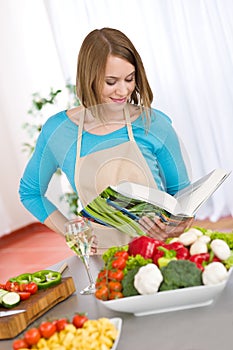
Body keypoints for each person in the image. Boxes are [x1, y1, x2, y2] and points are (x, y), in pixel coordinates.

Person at [19, 27, 193, 253]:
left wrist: (174, 225)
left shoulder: (154, 123)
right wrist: (69, 230)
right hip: (100, 260)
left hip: (158, 256)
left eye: (130, 79)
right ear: (88, 78)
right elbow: (30, 192)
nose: (123, 90)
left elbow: (182, 194)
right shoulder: (58, 131)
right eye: (111, 82)